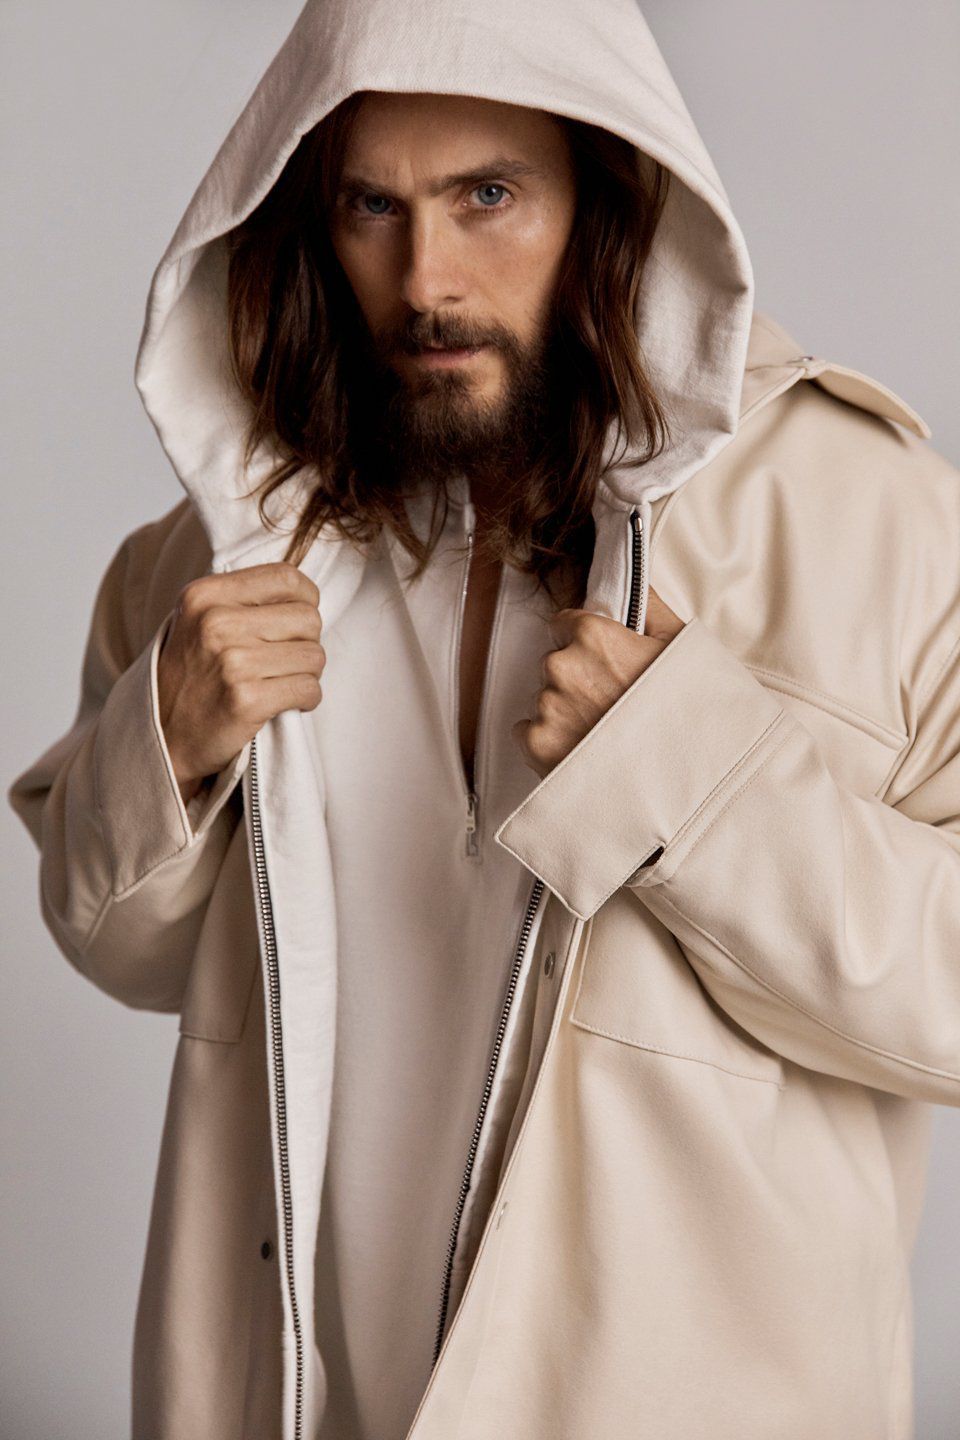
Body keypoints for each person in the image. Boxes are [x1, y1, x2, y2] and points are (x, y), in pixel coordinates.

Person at [8, 0, 960, 1437]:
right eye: (372, 208)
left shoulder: (864, 520)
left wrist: (698, 787)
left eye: (489, 197)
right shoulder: (216, 555)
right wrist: (166, 749)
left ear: (610, 198)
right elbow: (119, 949)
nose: (426, 281)